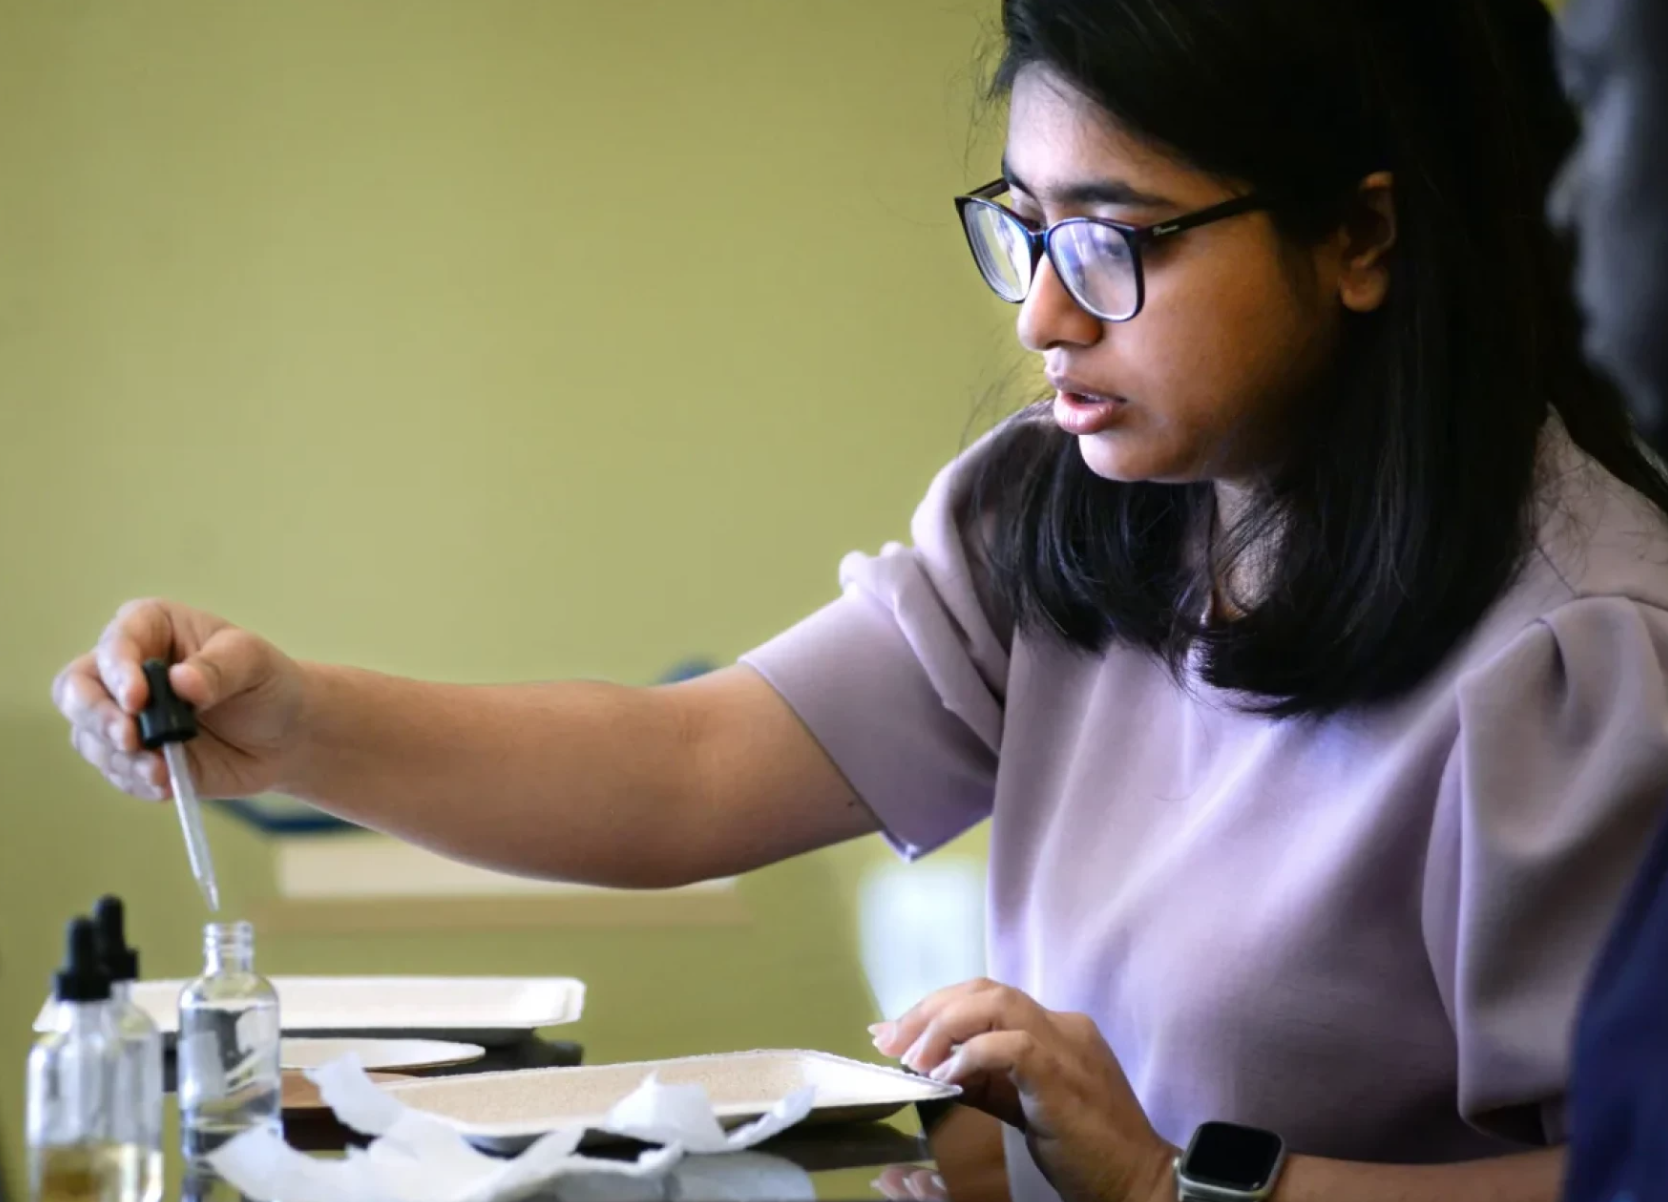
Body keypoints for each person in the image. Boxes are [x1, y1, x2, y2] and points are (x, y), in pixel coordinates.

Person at [51, 1, 1668, 1199]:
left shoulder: (1582, 650)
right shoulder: (1065, 517)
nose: (1042, 312)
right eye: (1022, 230)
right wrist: (301, 724)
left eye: (1112, 243)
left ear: (1361, 233)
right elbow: (686, 769)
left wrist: (1177, 1182)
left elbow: (1617, 1170)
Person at [1551, 0, 1668, 1198]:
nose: (1563, 200)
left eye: (1600, 102)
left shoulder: (1605, 635)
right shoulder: (1046, 493)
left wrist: (1163, 1183)